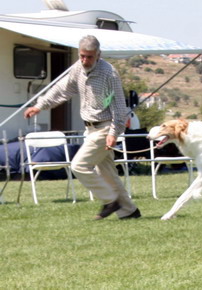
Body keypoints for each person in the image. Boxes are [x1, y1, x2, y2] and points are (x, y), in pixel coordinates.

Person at [24, 35, 141, 220]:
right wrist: (40, 105)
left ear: (98, 54)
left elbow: (119, 107)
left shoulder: (109, 74)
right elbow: (61, 89)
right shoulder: (78, 69)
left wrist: (113, 133)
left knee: (79, 166)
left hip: (105, 129)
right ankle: (130, 212)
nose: (85, 60)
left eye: (89, 57)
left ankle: (111, 201)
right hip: (90, 129)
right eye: (82, 56)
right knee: (108, 173)